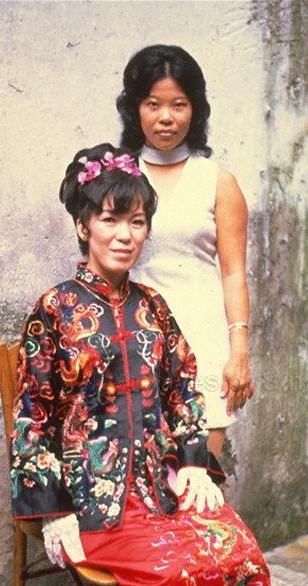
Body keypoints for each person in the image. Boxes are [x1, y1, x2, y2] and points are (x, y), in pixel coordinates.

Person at [10, 144, 281, 586]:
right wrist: (53, 510)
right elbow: (31, 416)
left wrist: (192, 464)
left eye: (136, 221)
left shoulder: (155, 307)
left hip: (160, 484)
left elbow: (185, 387)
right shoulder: (54, 309)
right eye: (109, 219)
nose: (125, 234)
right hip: (92, 497)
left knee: (237, 553)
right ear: (83, 225)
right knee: (170, 574)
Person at [117, 44, 253, 460]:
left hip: (201, 345)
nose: (165, 117)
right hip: (131, 344)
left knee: (201, 480)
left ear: (195, 110)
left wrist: (240, 352)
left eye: (179, 104)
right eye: (153, 103)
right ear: (134, 108)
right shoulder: (116, 178)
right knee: (138, 488)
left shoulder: (217, 181)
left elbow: (232, 273)